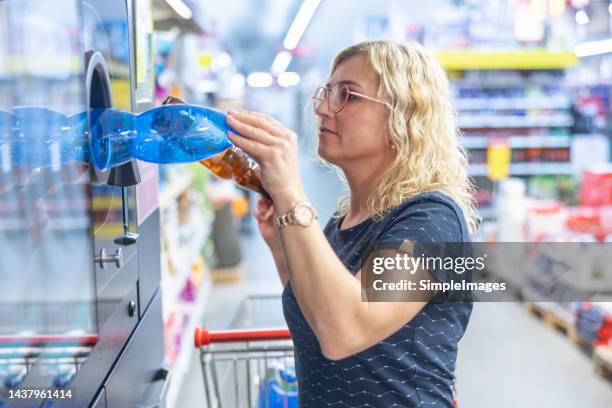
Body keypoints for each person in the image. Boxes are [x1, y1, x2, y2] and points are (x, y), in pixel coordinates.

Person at [226, 40, 480, 407]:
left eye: (348, 95)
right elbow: (318, 310)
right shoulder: (344, 221)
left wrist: (292, 194)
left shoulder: (432, 221)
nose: (324, 109)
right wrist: (284, 248)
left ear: (403, 116)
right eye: (327, 93)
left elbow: (344, 330)